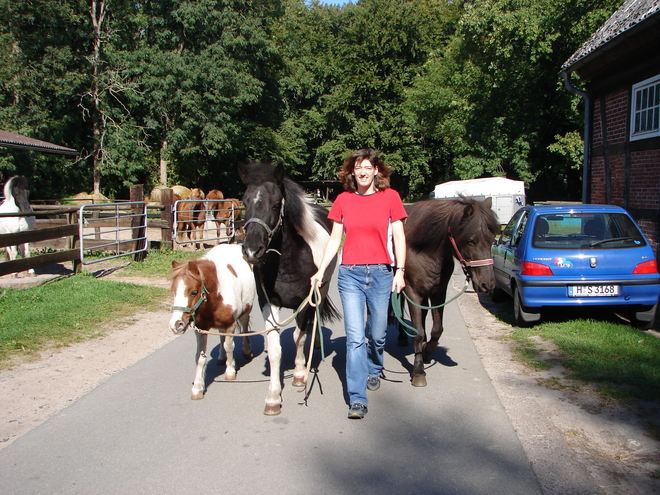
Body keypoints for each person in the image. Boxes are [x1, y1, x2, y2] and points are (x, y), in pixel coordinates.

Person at [311, 148, 407, 419]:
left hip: (381, 273)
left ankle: (375, 367)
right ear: (352, 172)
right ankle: (357, 398)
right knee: (354, 338)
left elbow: (399, 237)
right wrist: (320, 271)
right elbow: (334, 239)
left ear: (377, 170)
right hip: (350, 275)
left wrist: (400, 270)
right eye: (358, 167)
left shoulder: (391, 197)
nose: (363, 171)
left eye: (367, 166)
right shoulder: (343, 200)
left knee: (376, 335)